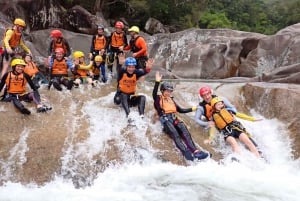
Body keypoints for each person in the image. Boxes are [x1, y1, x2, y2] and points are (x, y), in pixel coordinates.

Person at [153, 71, 210, 161]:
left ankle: (195, 152)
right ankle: (185, 152)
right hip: (166, 120)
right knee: (175, 134)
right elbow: (154, 93)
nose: (168, 93)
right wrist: (157, 82)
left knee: (185, 132)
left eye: (170, 91)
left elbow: (181, 110)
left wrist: (194, 108)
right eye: (167, 91)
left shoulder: (171, 100)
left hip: (174, 118)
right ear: (162, 91)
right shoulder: (158, 99)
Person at [195, 86, 261, 145]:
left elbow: (232, 108)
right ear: (202, 97)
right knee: (218, 130)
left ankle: (255, 147)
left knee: (241, 131)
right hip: (217, 124)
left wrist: (229, 112)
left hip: (229, 121)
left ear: (210, 93)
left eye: (208, 94)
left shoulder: (221, 99)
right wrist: (206, 123)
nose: (207, 97)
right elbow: (197, 119)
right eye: (204, 95)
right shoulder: (201, 107)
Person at [113, 57, 152, 122]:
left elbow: (144, 72)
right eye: (129, 67)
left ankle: (141, 116)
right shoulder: (122, 72)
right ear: (126, 67)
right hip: (120, 97)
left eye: (133, 67)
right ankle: (128, 115)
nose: (131, 69)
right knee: (122, 97)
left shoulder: (136, 72)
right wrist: (119, 64)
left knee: (142, 97)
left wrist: (148, 68)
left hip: (129, 98)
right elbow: (119, 69)